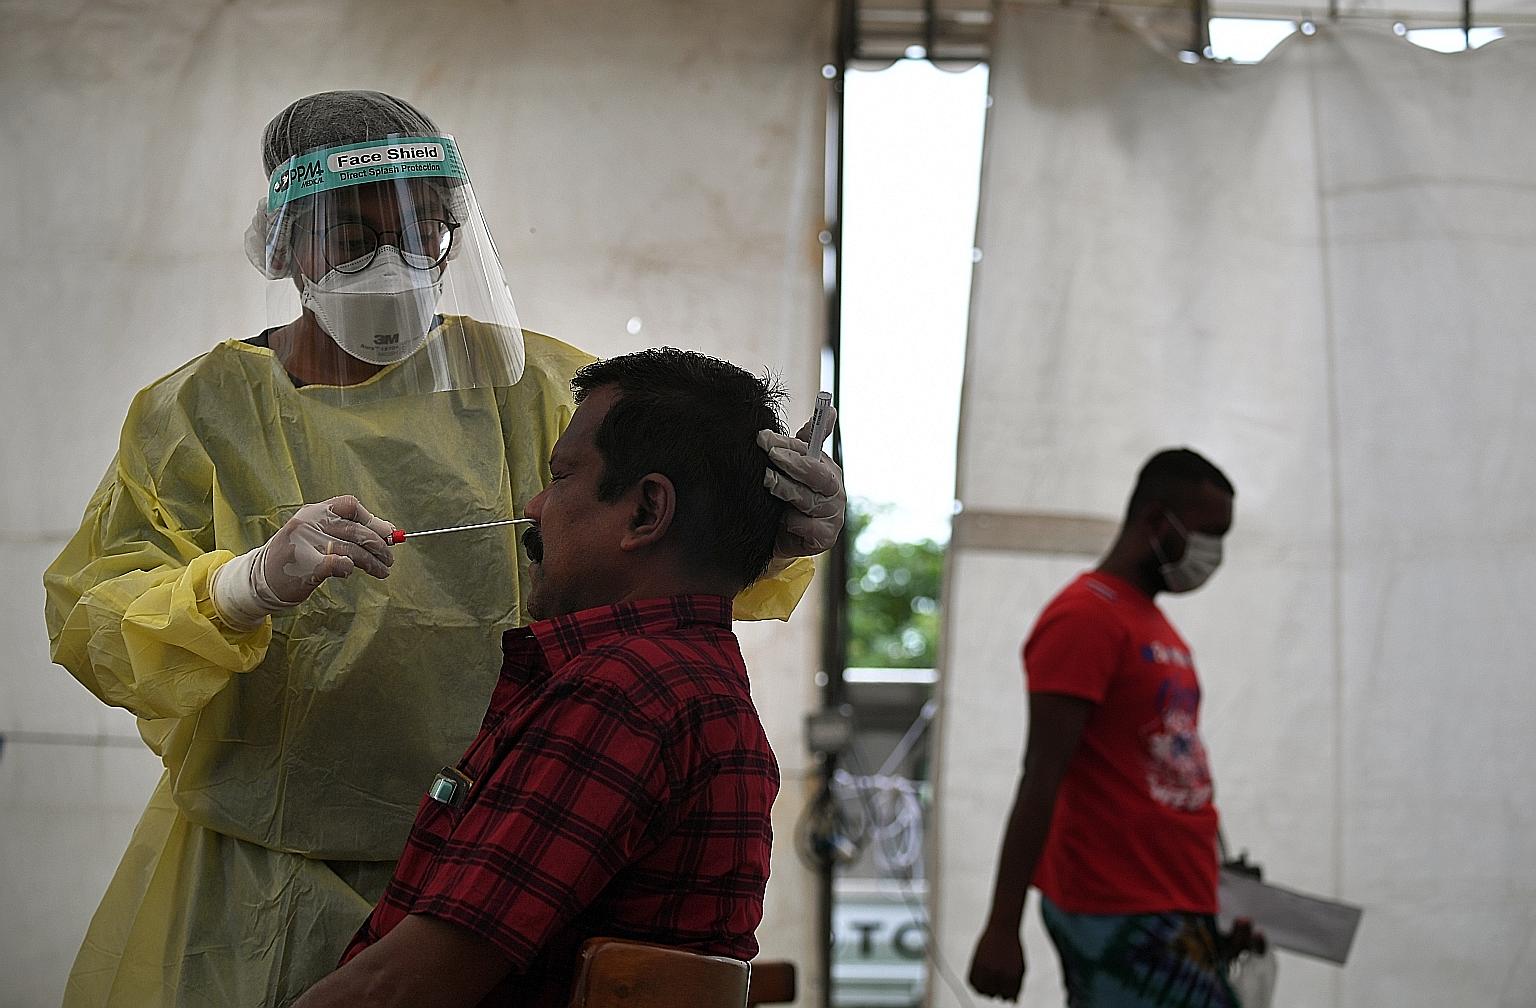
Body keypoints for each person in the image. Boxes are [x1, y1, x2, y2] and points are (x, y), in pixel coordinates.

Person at [44, 91, 844, 1008]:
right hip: (256, 876)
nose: (394, 264)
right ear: (284, 244)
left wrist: (774, 536)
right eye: (351, 236)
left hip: (491, 855)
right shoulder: (198, 414)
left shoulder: (535, 387)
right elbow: (96, 618)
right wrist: (241, 585)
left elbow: (661, 565)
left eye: (424, 232)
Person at [295, 348, 787, 1007]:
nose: (534, 505)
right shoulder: (683, 680)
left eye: (562, 477)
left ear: (646, 512)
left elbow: (404, 987)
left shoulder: (625, 693)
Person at [968, 448, 1254, 1007]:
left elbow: (1175, 770)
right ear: (1155, 521)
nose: (1213, 554)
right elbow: (1040, 777)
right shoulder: (1084, 616)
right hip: (1116, 906)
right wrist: (1002, 927)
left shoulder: (1153, 622)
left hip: (1178, 904)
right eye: (1207, 533)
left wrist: (1216, 908)